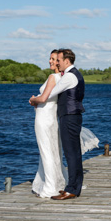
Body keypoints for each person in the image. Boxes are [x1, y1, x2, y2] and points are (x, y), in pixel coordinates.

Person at [30, 48, 93, 200]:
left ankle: (72, 189)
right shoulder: (72, 75)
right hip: (69, 116)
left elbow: (48, 95)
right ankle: (71, 187)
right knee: (72, 153)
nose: (56, 62)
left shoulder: (69, 77)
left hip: (69, 117)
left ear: (66, 61)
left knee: (72, 154)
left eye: (58, 60)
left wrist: (33, 99)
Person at [31, 49, 67, 198]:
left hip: (44, 119)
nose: (50, 61)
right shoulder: (63, 78)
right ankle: (52, 182)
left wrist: (33, 99)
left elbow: (44, 98)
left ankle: (50, 187)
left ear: (59, 61)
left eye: (53, 59)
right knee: (53, 151)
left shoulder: (53, 77)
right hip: (51, 119)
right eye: (50, 58)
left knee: (46, 152)